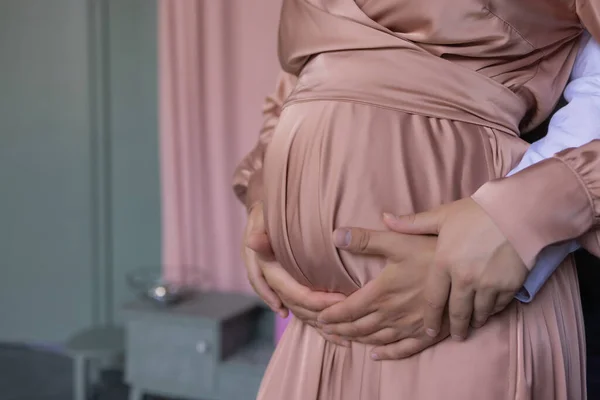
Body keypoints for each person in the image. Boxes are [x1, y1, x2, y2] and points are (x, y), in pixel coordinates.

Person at [233, 1, 600, 399]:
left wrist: (521, 219)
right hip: (319, 328)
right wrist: (268, 198)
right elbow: (299, 78)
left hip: (461, 301)